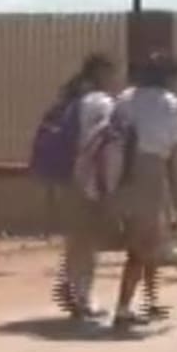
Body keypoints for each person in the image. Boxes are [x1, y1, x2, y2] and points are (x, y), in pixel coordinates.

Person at [111, 54, 177, 330]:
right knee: (143, 246)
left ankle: (148, 300)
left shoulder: (125, 99)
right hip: (151, 173)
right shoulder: (171, 104)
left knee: (149, 241)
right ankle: (123, 308)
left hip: (122, 174)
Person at [52, 53, 119, 320]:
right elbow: (104, 143)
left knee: (76, 240)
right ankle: (82, 298)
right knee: (87, 242)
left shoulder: (71, 100)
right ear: (102, 74)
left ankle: (72, 290)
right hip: (90, 180)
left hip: (67, 177)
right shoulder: (101, 103)